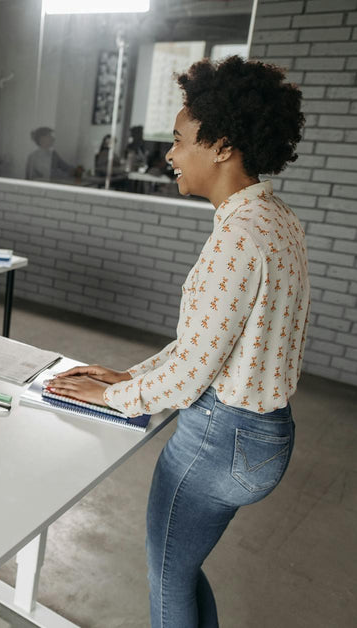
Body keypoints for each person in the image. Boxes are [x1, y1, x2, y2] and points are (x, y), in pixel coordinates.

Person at [47, 56, 308, 627]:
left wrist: (110, 398)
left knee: (167, 580)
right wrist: (132, 375)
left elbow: (194, 373)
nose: (169, 154)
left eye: (180, 139)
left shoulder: (236, 239)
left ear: (221, 146)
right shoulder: (277, 220)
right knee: (181, 569)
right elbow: (212, 346)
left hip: (221, 437)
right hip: (267, 435)